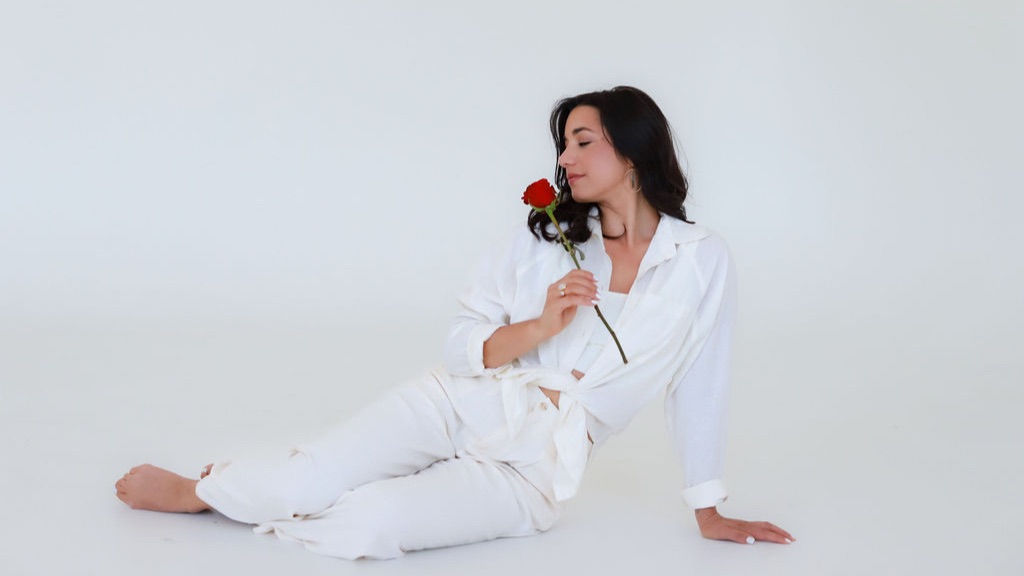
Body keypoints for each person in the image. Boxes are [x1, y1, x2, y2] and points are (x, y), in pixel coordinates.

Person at [115, 85, 794, 559]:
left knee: (372, 526)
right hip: (457, 401)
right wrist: (541, 325)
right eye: (563, 145)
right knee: (305, 484)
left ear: (634, 149)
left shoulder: (701, 261)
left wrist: (707, 507)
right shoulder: (547, 238)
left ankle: (264, 490)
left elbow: (701, 383)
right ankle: (211, 491)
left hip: (536, 469)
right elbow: (462, 343)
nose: (564, 159)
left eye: (582, 142)